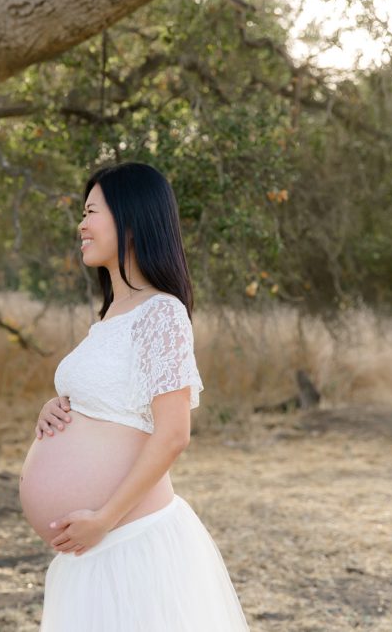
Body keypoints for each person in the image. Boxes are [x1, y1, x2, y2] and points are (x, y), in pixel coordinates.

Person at [36, 162, 249, 630]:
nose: (82, 224)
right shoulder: (114, 313)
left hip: (128, 540)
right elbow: (111, 404)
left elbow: (173, 434)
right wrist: (56, 409)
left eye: (92, 211)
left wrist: (105, 518)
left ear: (130, 218)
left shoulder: (162, 313)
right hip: (95, 547)